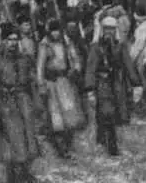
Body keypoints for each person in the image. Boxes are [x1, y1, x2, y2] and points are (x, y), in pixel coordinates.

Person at [0, 23, 40, 183]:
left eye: (15, 39)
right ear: (3, 41)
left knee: (28, 138)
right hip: (5, 105)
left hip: (24, 102)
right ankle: (14, 175)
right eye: (9, 39)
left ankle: (25, 172)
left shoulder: (24, 59)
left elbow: (32, 82)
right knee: (12, 140)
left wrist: (37, 103)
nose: (13, 43)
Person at [36, 18, 85, 159]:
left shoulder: (66, 42)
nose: (55, 33)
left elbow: (75, 58)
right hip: (52, 83)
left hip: (65, 82)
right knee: (56, 116)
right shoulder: (45, 45)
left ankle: (69, 145)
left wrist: (76, 69)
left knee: (69, 113)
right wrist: (41, 84)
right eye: (53, 31)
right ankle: (61, 148)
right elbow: (40, 66)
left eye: (57, 30)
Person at [85, 16, 130, 156]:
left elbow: (128, 64)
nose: (109, 32)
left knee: (114, 113)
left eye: (112, 29)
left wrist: (136, 84)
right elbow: (91, 68)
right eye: (106, 29)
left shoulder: (120, 46)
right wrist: (90, 89)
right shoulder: (95, 47)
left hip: (116, 83)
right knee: (107, 111)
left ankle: (103, 139)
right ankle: (111, 146)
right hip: (102, 82)